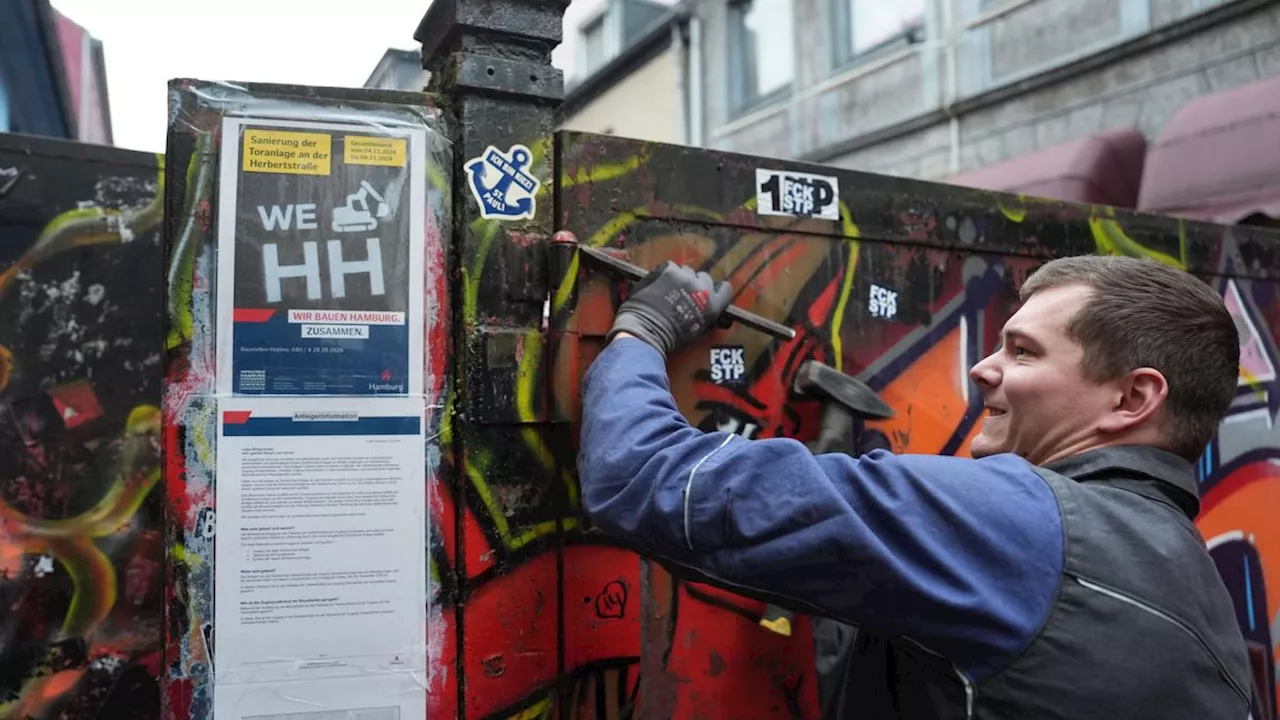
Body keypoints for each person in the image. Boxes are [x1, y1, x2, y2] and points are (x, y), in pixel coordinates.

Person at [577, 255, 1255, 719]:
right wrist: (850, 474)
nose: (984, 369)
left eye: (1023, 351)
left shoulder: (1025, 526)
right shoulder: (1182, 563)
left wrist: (644, 330)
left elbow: (641, 476)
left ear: (1132, 397)